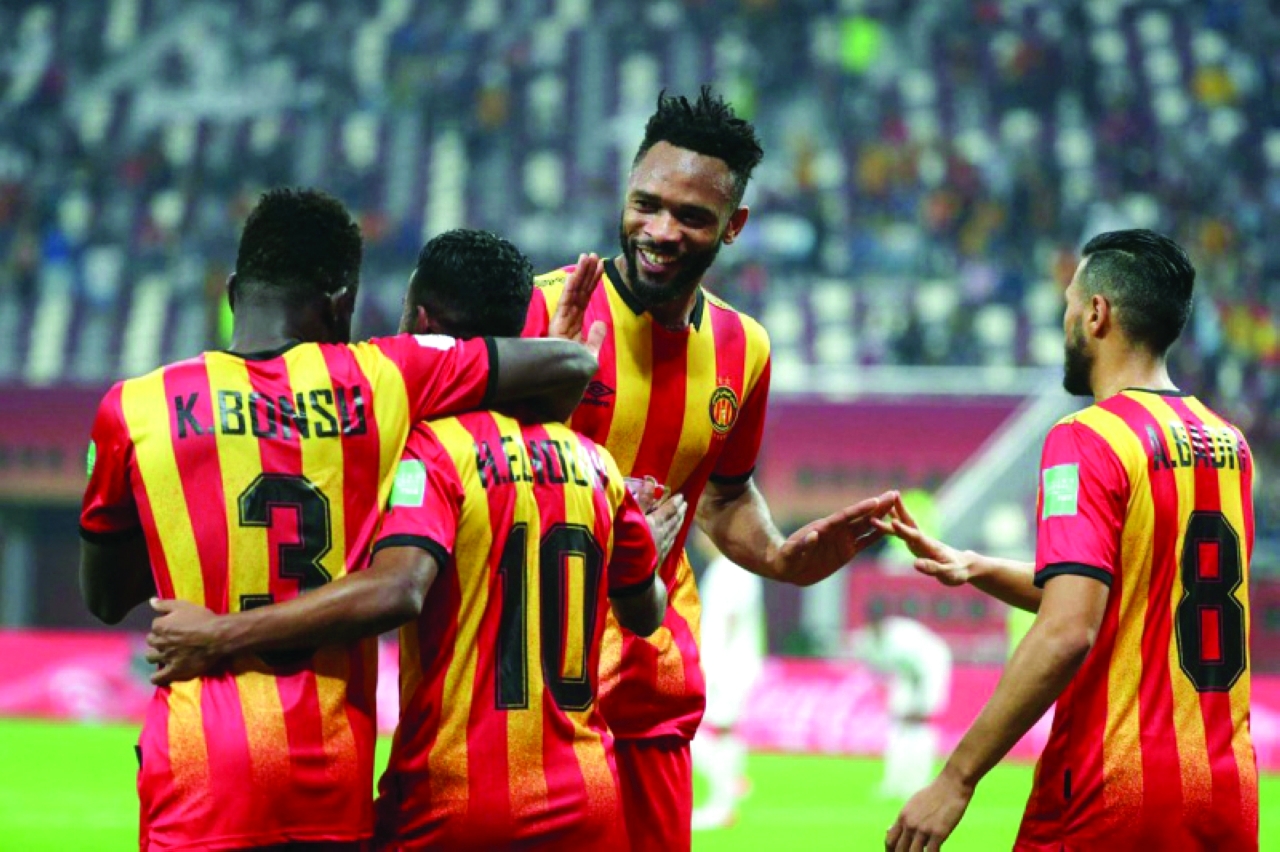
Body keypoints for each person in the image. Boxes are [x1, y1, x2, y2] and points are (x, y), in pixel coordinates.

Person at [79, 192, 602, 851]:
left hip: (198, 775)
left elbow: (105, 598)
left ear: (235, 291)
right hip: (331, 776)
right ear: (341, 303)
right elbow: (572, 362)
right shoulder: (382, 377)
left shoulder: (133, 407)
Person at [524, 86, 898, 850]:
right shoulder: (539, 312)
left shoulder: (743, 347)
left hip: (650, 686)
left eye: (691, 216)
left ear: (735, 226)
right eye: (646, 204)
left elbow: (724, 497)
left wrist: (780, 557)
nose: (660, 231)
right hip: (530, 682)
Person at [881, 229, 1257, 851]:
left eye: (1068, 306)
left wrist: (955, 778)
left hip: (1116, 787)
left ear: (1096, 313)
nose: (1064, 323)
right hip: (1225, 790)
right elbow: (1127, 594)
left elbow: (1068, 629)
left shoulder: (1087, 438)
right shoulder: (1228, 444)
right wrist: (977, 566)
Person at [690, 548, 765, 830]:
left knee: (703, 732)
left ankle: (723, 802)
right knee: (723, 733)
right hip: (730, 664)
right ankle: (728, 792)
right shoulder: (737, 569)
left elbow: (728, 621)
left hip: (725, 666)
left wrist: (711, 665)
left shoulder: (730, 571)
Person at [846, 605, 951, 800]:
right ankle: (894, 782)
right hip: (904, 673)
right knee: (897, 726)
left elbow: (920, 669)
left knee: (918, 725)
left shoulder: (901, 638)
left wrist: (919, 704)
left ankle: (919, 783)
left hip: (932, 666)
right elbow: (876, 671)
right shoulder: (864, 642)